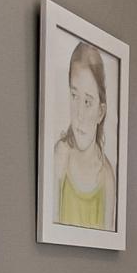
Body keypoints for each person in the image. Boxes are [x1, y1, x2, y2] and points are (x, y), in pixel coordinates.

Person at [53, 41, 116, 231]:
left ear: (100, 112)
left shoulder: (107, 177)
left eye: (88, 102)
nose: (79, 114)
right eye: (75, 96)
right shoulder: (60, 155)